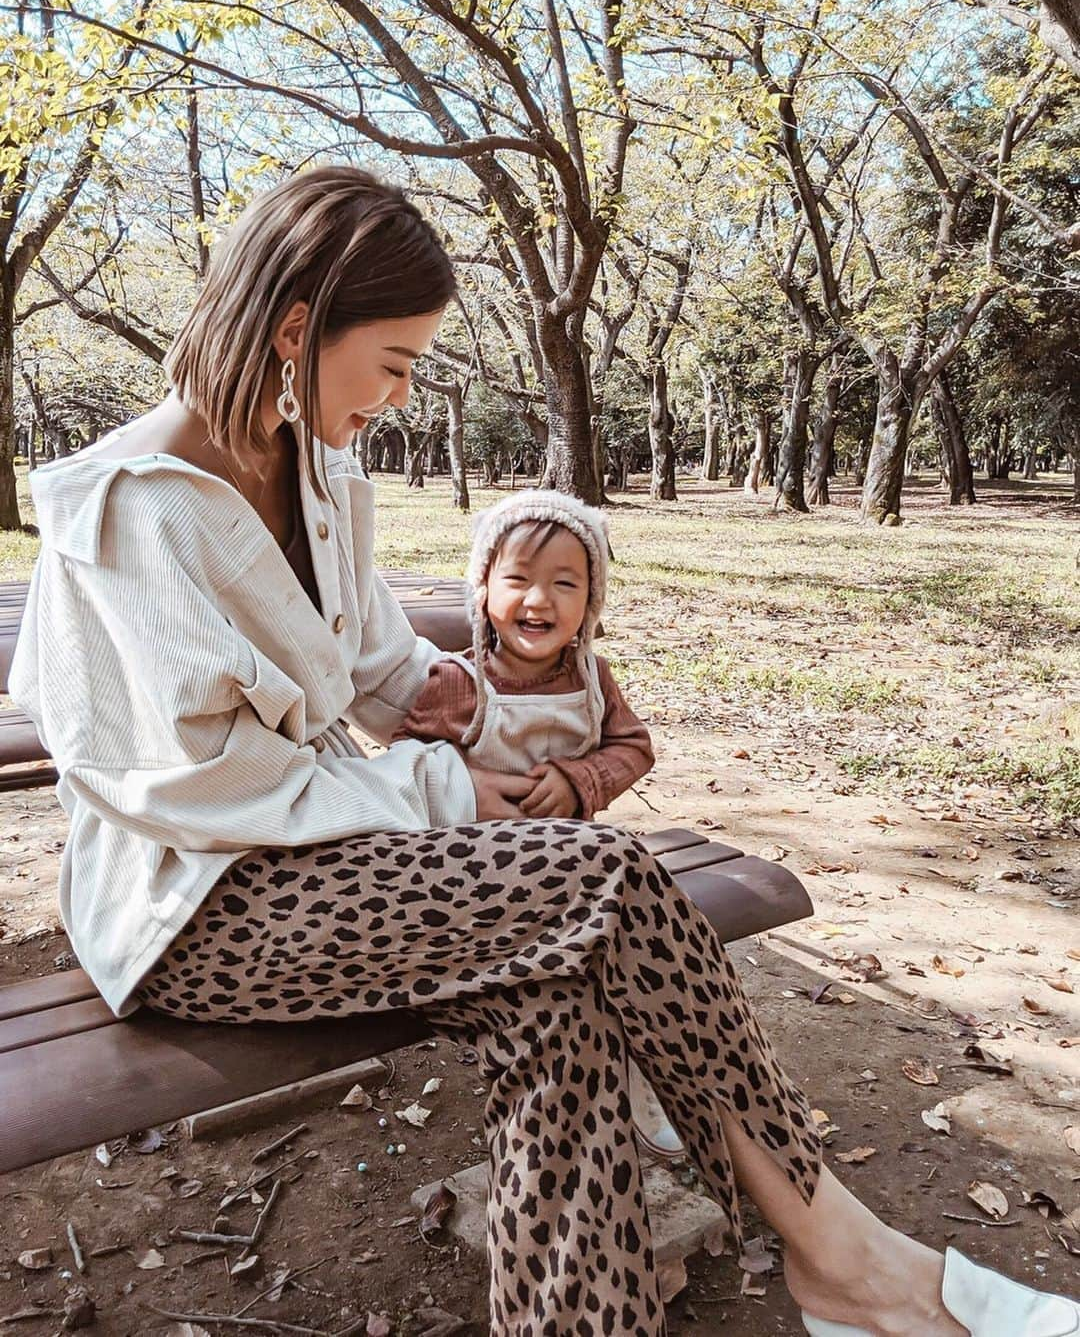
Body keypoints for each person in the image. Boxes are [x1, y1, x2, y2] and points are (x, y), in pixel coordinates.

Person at [9, 165, 1077, 1337]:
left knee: (558, 1013)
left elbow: (372, 659)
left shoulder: (321, 470)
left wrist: (448, 695)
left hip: (339, 859)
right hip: (200, 909)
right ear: (298, 326)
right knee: (607, 876)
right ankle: (849, 1263)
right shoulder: (126, 511)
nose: (398, 397)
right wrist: (436, 780)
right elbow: (191, 785)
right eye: (398, 363)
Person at [391, 486, 684, 1159]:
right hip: (482, 879)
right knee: (570, 980)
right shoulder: (460, 682)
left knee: (641, 947)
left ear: (590, 602)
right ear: (486, 589)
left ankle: (650, 1078)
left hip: (580, 865)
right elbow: (408, 766)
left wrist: (581, 780)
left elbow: (633, 748)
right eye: (518, 579)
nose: (539, 600)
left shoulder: (592, 678)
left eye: (565, 584)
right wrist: (461, 790)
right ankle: (558, 1113)